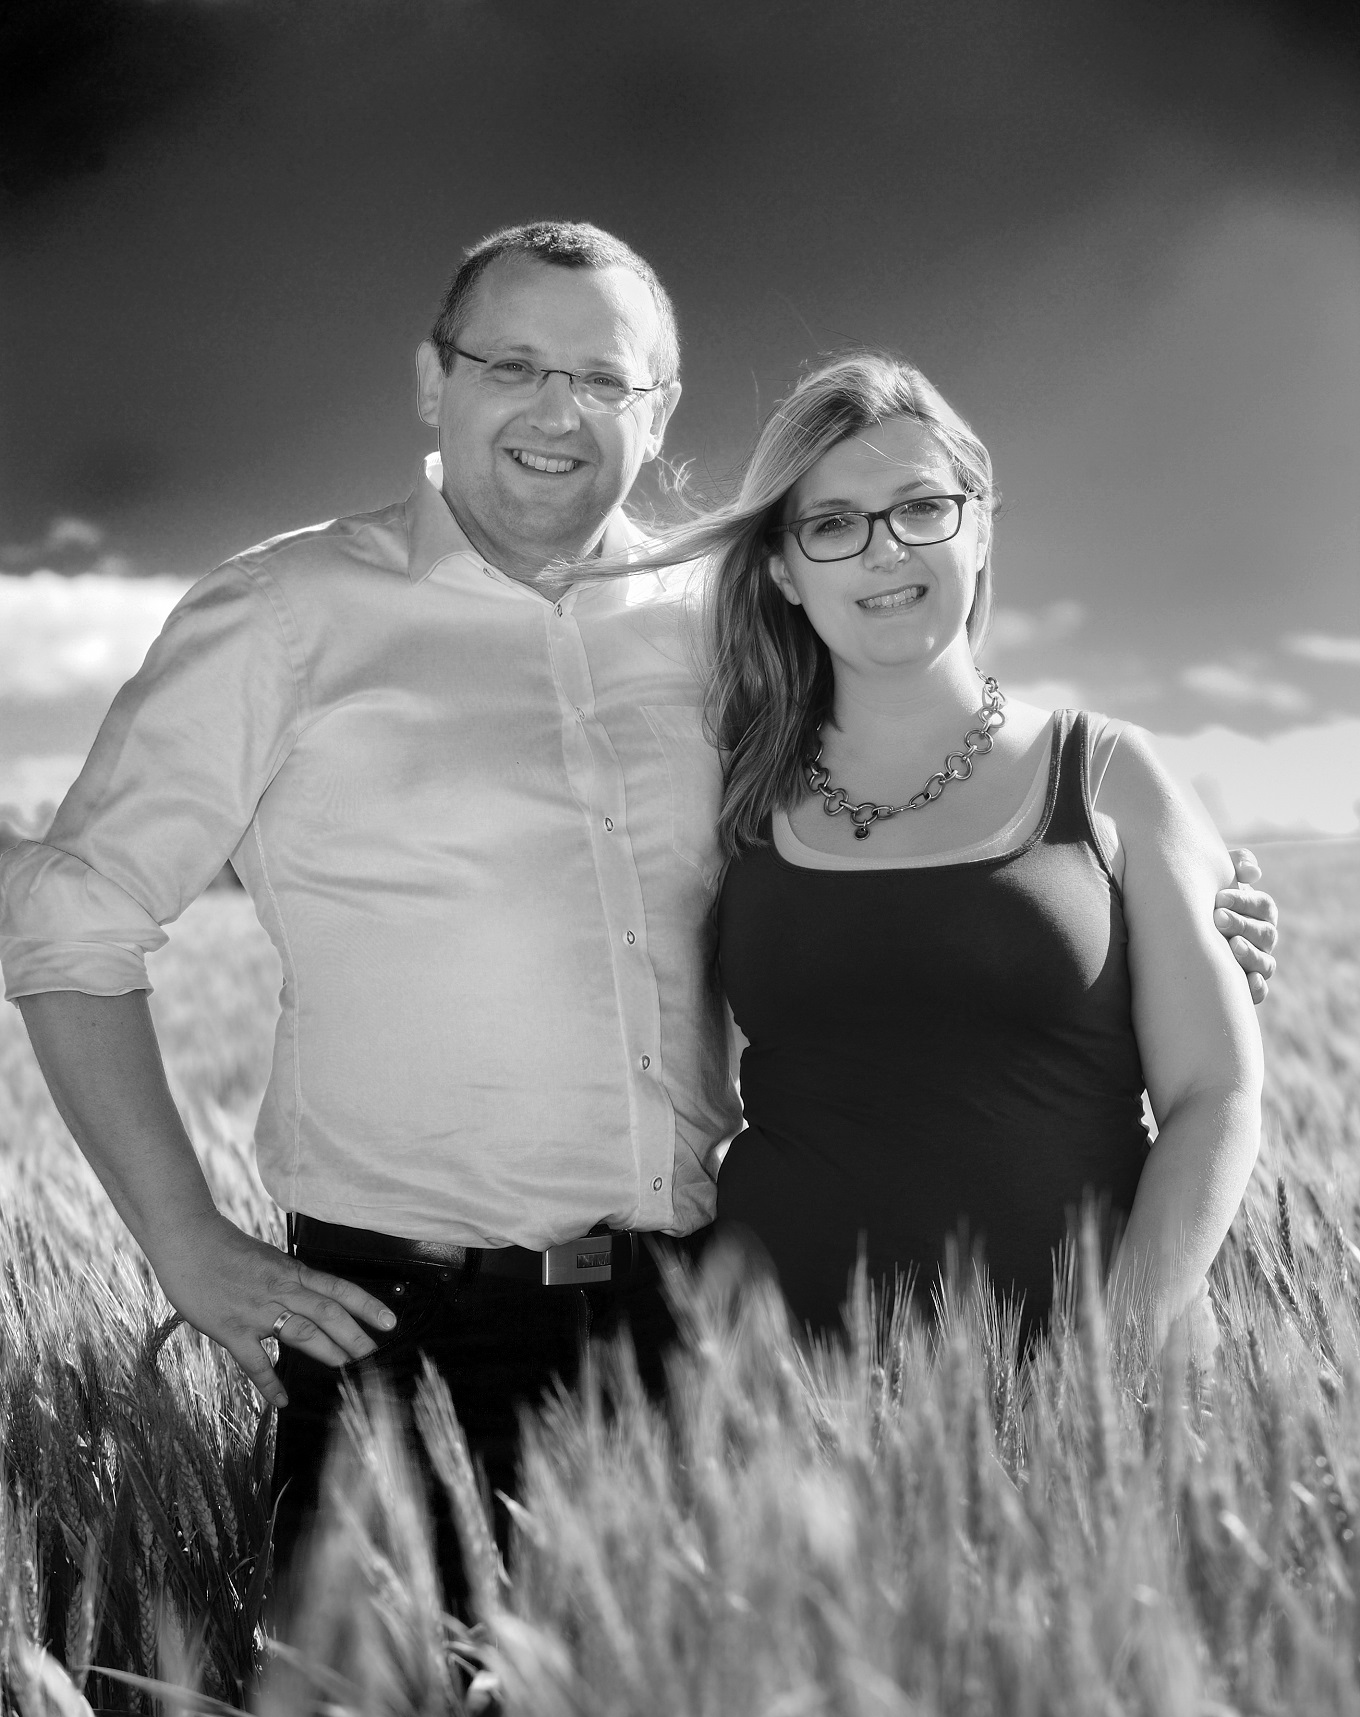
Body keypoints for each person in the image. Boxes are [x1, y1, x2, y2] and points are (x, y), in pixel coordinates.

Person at [0, 228, 1276, 1595]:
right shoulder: (283, 613)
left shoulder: (714, 628)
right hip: (415, 1325)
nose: (557, 411)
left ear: (658, 411)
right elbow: (74, 919)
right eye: (513, 365)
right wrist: (184, 1240)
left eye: (603, 379)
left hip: (697, 1328)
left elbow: (919, 814)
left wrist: (1166, 910)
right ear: (434, 381)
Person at [592, 353, 1265, 1351]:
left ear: (979, 528)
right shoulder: (728, 791)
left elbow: (1214, 1095)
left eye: (920, 509)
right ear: (782, 569)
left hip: (1086, 1390)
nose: (884, 551)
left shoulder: (1105, 775)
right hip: (779, 1394)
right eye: (833, 524)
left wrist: (1111, 1363)